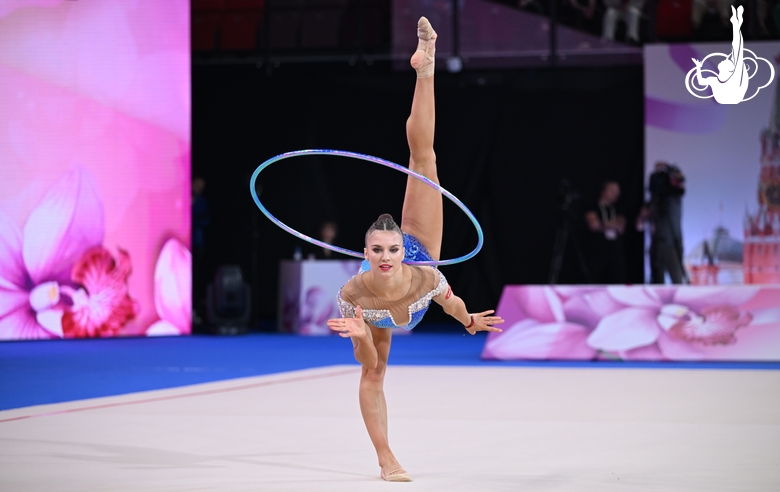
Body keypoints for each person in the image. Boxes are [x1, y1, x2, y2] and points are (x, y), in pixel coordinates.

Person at [325, 17, 505, 483]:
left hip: (423, 256)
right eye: (377, 250)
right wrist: (361, 335)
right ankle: (386, 459)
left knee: (423, 159)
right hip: (378, 318)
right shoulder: (353, 295)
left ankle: (425, 65)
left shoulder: (424, 271)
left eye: (391, 249)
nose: (385, 255)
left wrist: (468, 321)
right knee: (374, 375)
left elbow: (452, 303)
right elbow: (365, 362)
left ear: (402, 252)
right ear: (365, 254)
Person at [692, 6, 748, 104]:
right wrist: (698, 67)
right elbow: (701, 82)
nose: (723, 60)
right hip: (724, 98)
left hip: (733, 97)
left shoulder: (734, 77)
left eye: (725, 62)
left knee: (738, 54)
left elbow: (737, 46)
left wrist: (736, 26)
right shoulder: (714, 80)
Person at [648, 161, 686, 284]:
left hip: (673, 242)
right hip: (661, 243)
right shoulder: (654, 203)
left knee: (677, 277)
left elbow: (681, 178)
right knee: (659, 278)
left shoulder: (675, 197)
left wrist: (668, 167)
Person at [584, 181, 626, 283]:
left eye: (617, 192)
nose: (616, 194)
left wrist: (603, 224)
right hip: (597, 252)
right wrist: (612, 224)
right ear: (604, 191)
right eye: (612, 191)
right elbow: (593, 225)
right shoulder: (593, 206)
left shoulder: (618, 208)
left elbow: (621, 227)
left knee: (618, 279)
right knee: (596, 280)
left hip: (614, 252)